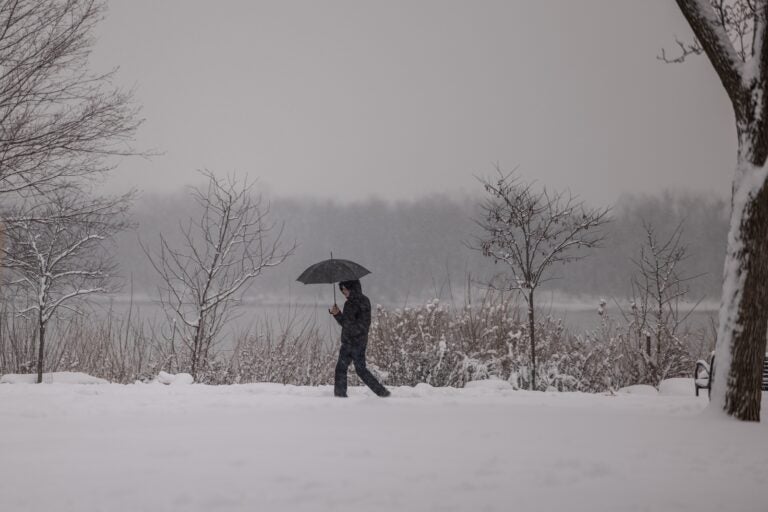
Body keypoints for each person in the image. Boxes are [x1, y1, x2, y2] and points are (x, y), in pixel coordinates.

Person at [330, 279, 390, 398]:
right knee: (341, 369)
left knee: (360, 370)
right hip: (348, 342)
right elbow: (346, 323)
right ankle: (340, 395)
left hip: (357, 343)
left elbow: (362, 325)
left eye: (345, 289)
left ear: (352, 288)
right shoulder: (349, 303)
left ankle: (382, 392)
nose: (344, 292)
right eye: (342, 290)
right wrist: (337, 314)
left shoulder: (363, 301)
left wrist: (344, 321)